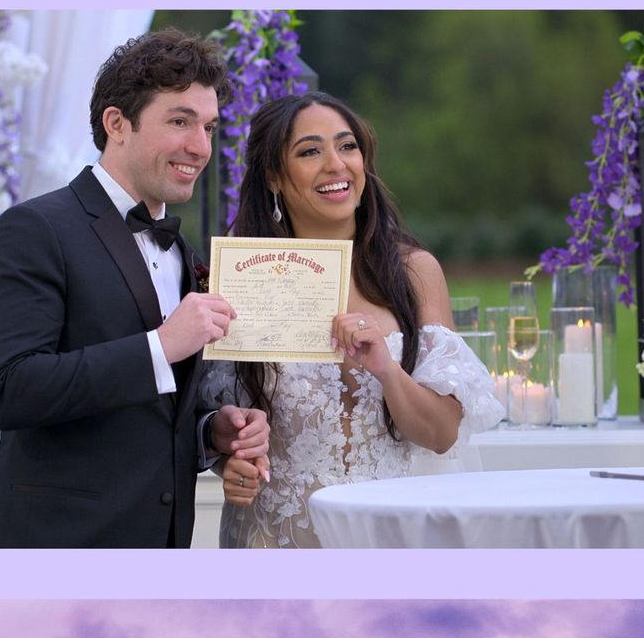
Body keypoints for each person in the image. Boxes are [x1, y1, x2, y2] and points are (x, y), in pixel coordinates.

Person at [0, 28, 270, 548]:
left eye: (209, 127)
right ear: (117, 123)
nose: (200, 147)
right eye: (179, 121)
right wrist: (160, 346)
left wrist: (210, 431)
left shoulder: (182, 252)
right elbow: (9, 390)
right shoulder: (33, 229)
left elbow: (153, 411)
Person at [204, 92, 504, 548]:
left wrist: (386, 369)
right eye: (309, 151)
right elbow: (217, 424)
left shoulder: (414, 272)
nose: (336, 164)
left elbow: (442, 434)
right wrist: (233, 460)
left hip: (387, 536)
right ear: (274, 178)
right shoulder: (245, 276)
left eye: (347, 146)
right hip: (276, 541)